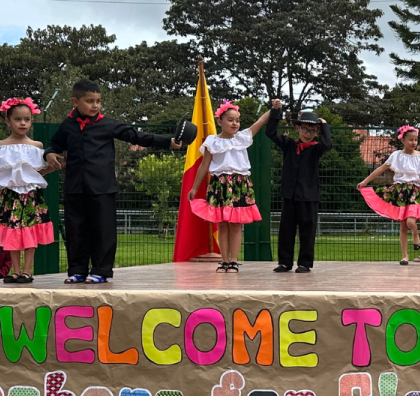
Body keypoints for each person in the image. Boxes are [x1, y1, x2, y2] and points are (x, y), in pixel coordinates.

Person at [45, 80, 181, 283]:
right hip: (75, 187)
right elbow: (54, 144)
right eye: (89, 101)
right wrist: (50, 154)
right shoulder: (67, 125)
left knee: (103, 231)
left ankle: (100, 271)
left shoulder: (109, 124)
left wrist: (168, 142)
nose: (95, 105)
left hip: (102, 187)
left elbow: (137, 136)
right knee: (76, 230)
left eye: (98, 101)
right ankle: (77, 270)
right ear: (75, 101)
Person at [188, 101, 270, 273]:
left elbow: (261, 121)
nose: (235, 124)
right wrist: (195, 188)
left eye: (237, 120)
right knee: (223, 224)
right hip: (220, 184)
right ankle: (224, 260)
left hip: (240, 184)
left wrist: (274, 108)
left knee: (236, 224)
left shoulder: (243, 137)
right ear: (220, 122)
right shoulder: (212, 141)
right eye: (230, 120)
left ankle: (234, 261)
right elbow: (204, 165)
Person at [266, 100, 331, 273]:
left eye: (312, 130)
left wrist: (324, 125)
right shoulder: (289, 145)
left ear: (317, 132)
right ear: (297, 128)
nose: (307, 134)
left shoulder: (316, 149)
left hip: (309, 196)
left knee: (307, 231)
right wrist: (276, 112)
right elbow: (270, 133)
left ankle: (304, 263)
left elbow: (327, 144)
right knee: (286, 230)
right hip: (290, 195)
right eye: (304, 129)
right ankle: (285, 262)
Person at [0, 98, 57, 283]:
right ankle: (15, 271)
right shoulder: (2, 146)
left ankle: (27, 271)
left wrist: (53, 167)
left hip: (31, 196)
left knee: (29, 230)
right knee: (12, 231)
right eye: (17, 119)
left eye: (27, 119)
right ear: (7, 121)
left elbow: (37, 173)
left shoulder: (37, 146)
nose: (23, 123)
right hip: (9, 196)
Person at [358, 125, 420, 265]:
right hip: (399, 191)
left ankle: (416, 234)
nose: (413, 143)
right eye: (410, 139)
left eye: (415, 140)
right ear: (402, 140)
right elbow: (381, 169)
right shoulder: (396, 155)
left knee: (411, 222)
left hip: (414, 192)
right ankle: (404, 256)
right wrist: (365, 181)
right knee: (403, 226)